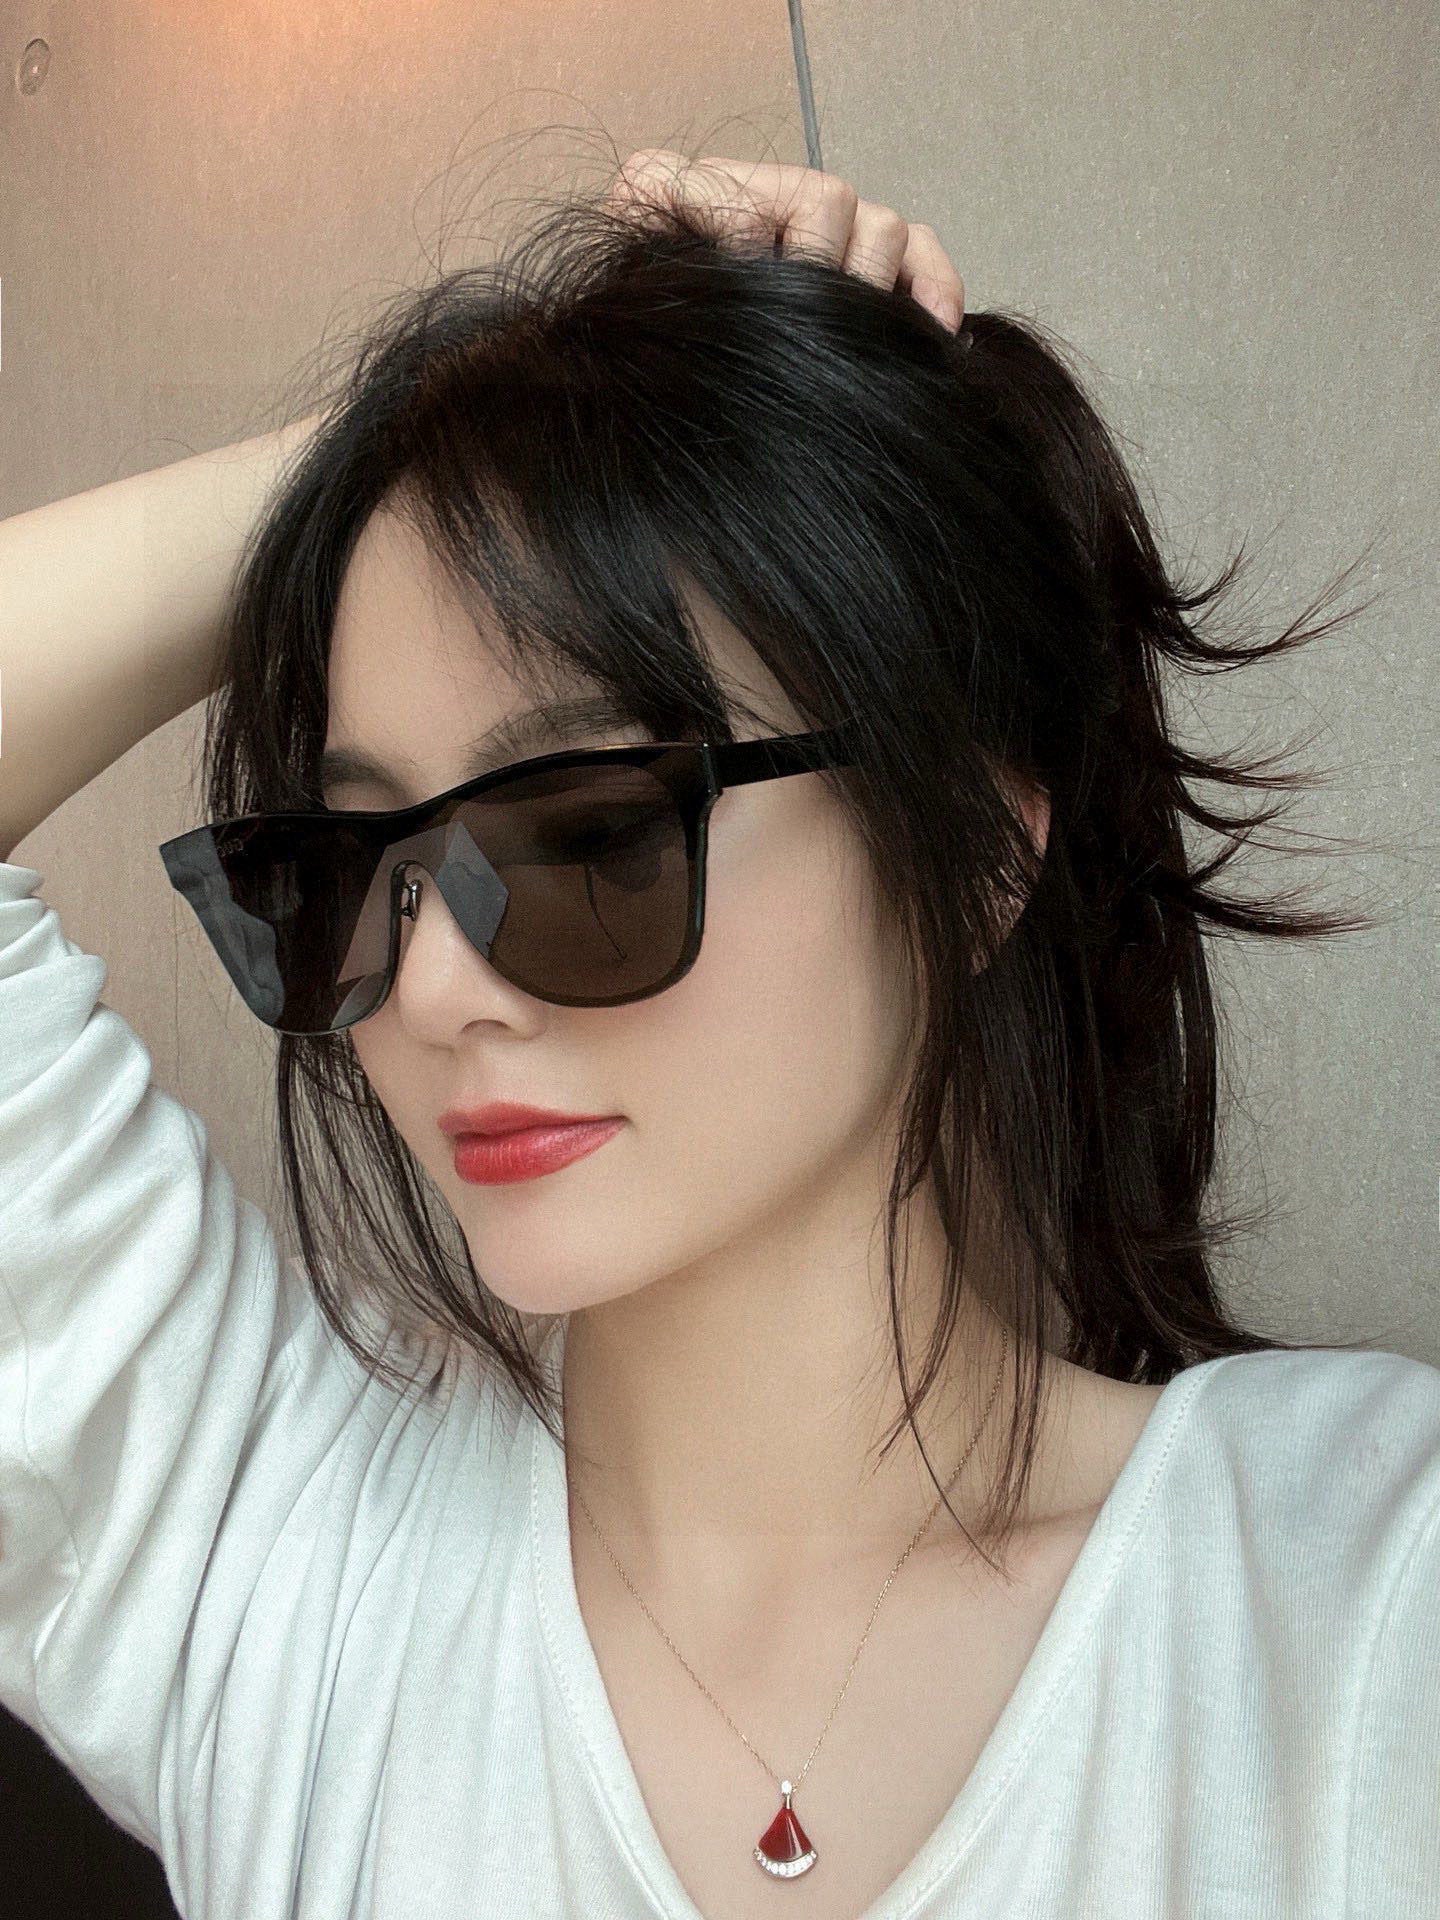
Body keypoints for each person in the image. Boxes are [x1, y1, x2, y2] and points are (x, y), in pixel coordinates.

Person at [0, 150, 1434, 1920]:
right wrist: (418, 438)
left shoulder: (1361, 1591)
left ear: (979, 851)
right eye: (354, 866)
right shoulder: (282, 1559)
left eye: (592, 831)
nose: (434, 989)